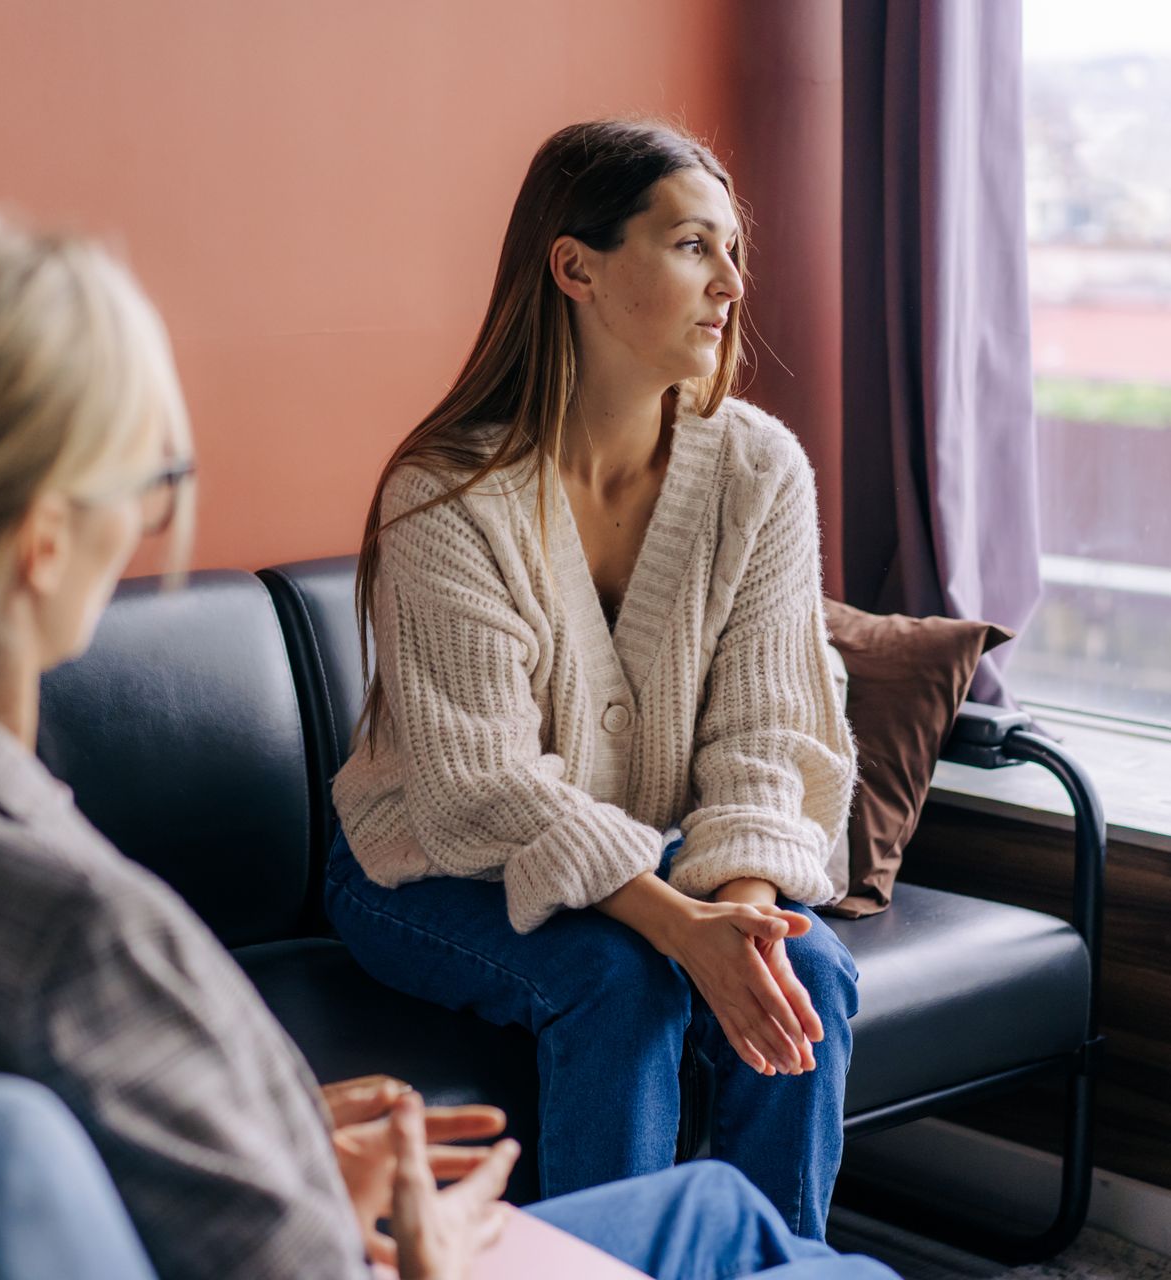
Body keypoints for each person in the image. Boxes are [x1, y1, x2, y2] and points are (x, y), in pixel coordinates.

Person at [0, 204, 892, 1279]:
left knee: (741, 1186)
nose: (158, 519)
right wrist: (410, 1237)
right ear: (44, 542)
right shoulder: (89, 938)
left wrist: (272, 1140)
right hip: (432, 960)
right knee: (767, 1235)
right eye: (152, 478)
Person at [328, 118, 860, 1238]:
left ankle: (770, 1266)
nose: (730, 282)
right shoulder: (447, 493)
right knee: (619, 982)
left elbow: (771, 732)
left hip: (645, 852)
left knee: (814, 972)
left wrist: (746, 915)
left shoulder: (759, 467)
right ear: (575, 266)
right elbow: (481, 785)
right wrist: (675, 923)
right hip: (427, 860)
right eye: (690, 247)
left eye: (732, 251)